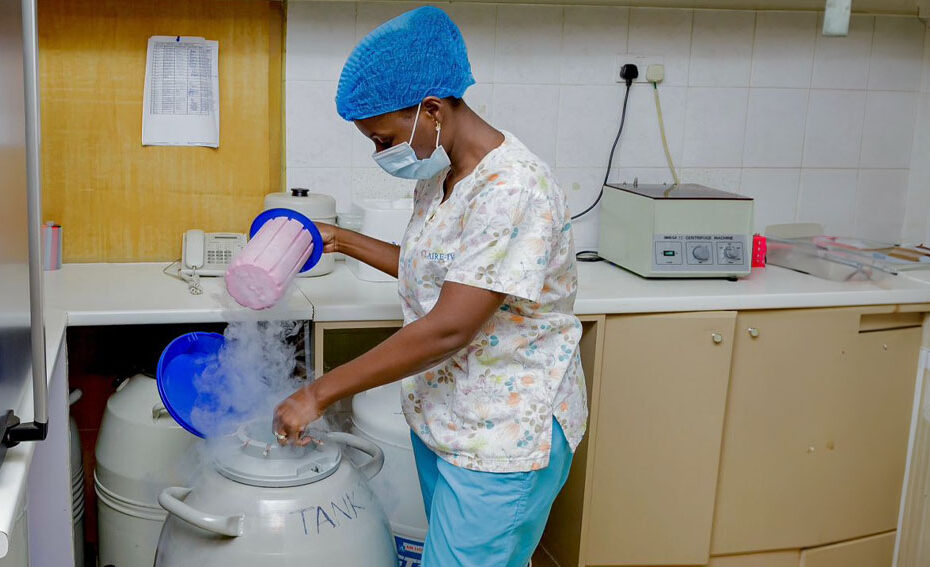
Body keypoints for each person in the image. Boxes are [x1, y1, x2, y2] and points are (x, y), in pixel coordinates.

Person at [273, 7, 587, 566]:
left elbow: (450, 325)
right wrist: (340, 239)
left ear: (433, 110)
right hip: (446, 415)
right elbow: (439, 272)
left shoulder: (512, 189)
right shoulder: (444, 175)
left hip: (502, 437)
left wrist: (318, 393)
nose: (381, 153)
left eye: (383, 138)